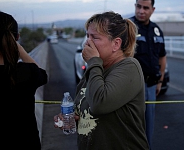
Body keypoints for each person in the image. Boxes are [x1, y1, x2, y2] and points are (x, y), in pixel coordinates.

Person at [54, 11, 149, 150]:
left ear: (116, 44)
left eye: (95, 37)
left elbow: (100, 103)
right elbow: (85, 104)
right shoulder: (95, 69)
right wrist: (70, 116)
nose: (88, 42)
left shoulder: (129, 67)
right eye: (87, 36)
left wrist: (93, 61)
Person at [0, 10, 48, 150]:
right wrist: (21, 51)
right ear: (17, 38)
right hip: (26, 143)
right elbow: (42, 75)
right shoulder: (26, 72)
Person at [129, 0, 167, 148]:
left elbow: (162, 57)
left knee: (148, 125)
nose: (141, 11)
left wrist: (160, 81)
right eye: (138, 6)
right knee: (131, 125)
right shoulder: (127, 27)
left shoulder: (156, 30)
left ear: (153, 9)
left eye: (146, 8)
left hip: (151, 85)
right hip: (131, 87)